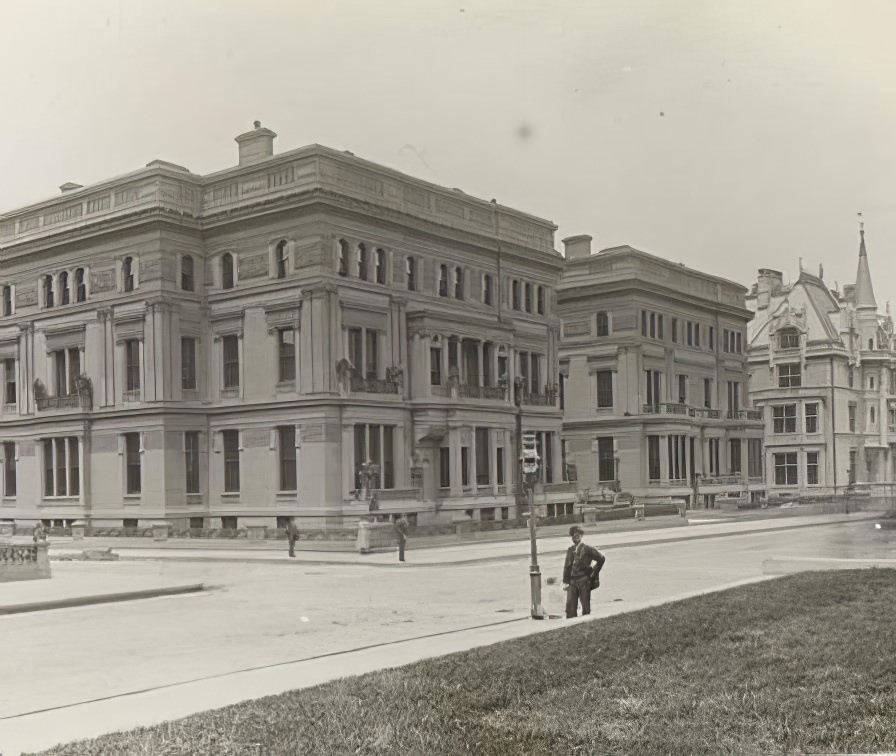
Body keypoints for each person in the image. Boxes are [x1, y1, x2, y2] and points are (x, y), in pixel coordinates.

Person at [562, 525, 606, 618]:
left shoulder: (587, 548)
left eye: (577, 535)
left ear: (581, 536)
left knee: (585, 606)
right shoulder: (570, 550)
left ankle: (585, 622)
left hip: (584, 580)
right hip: (572, 581)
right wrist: (566, 581)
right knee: (570, 607)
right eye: (573, 536)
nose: (575, 538)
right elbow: (567, 566)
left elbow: (601, 558)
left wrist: (594, 572)